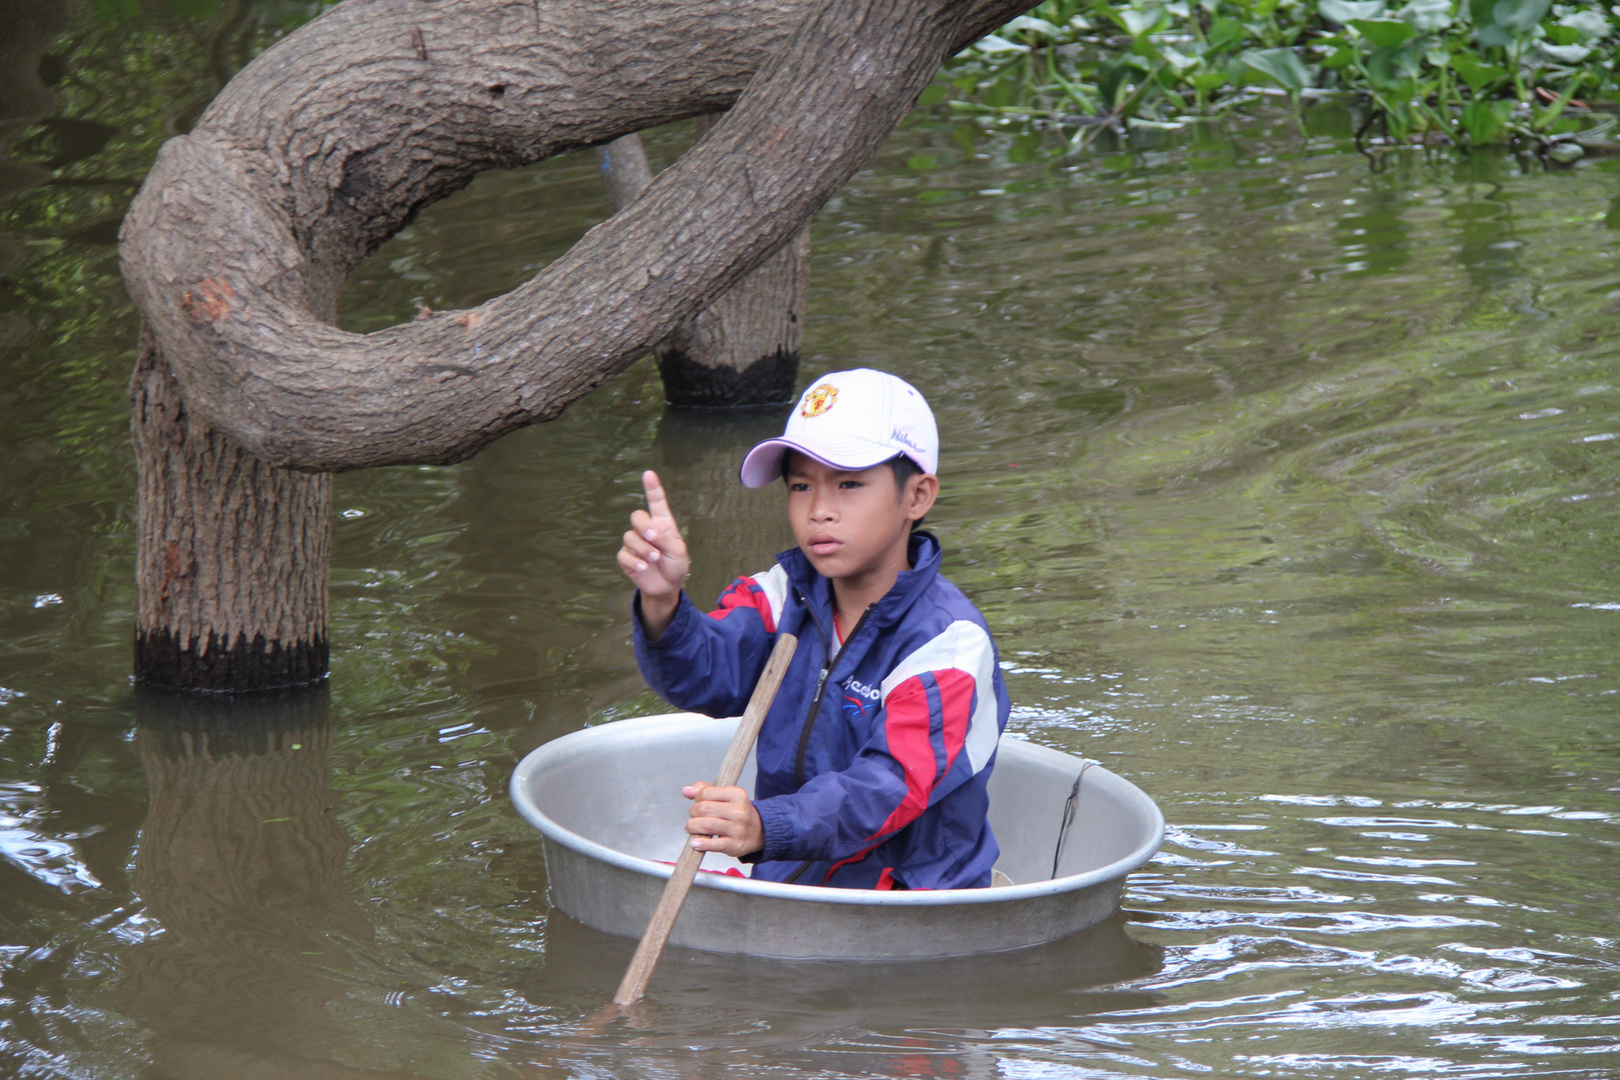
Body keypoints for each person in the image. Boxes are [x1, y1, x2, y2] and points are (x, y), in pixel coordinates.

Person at [617, 369, 1010, 890]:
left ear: (917, 497)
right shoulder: (782, 596)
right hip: (787, 875)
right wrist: (663, 601)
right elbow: (705, 676)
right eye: (801, 486)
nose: (819, 511)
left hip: (909, 900)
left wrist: (765, 825)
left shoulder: (949, 646)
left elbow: (886, 788)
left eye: (849, 484)